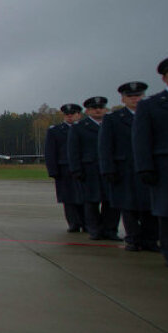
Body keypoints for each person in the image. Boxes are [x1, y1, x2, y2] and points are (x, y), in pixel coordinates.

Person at [103, 81, 156, 252]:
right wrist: (108, 169)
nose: (135, 99)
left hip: (150, 167)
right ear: (123, 99)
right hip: (124, 169)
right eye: (130, 96)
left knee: (151, 205)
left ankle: (150, 239)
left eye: (138, 95)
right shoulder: (113, 119)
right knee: (128, 206)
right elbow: (105, 146)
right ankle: (133, 238)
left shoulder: (154, 115)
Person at [133, 58, 168, 267]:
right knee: (166, 211)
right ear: (164, 78)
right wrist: (145, 167)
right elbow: (142, 139)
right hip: (165, 166)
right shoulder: (150, 106)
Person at [68, 96, 121, 241]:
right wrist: (76, 170)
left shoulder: (114, 125)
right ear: (87, 111)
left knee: (112, 202)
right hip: (89, 170)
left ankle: (110, 230)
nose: (98, 110)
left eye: (101, 108)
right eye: (94, 108)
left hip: (111, 169)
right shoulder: (79, 127)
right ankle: (95, 230)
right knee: (91, 202)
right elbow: (73, 151)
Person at [44, 103, 86, 232]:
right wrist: (53, 170)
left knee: (86, 197)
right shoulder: (55, 131)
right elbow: (50, 152)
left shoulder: (85, 129)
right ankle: (73, 223)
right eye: (67, 114)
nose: (69, 116)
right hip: (64, 169)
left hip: (84, 168)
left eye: (72, 114)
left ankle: (87, 223)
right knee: (68, 198)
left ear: (79, 115)